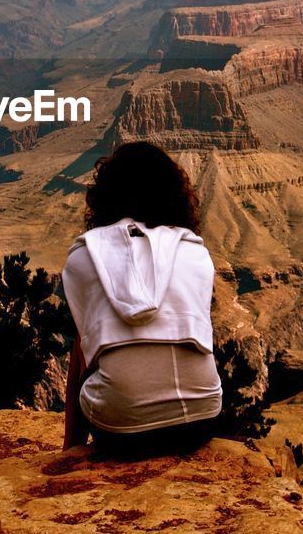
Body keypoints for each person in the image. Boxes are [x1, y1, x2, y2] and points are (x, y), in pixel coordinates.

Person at [60, 141, 222, 457]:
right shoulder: (196, 253)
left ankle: (71, 448)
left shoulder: (84, 256)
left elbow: (85, 347)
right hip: (203, 420)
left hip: (123, 433)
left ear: (106, 196)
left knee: (82, 339)